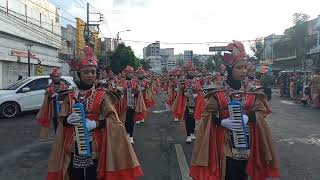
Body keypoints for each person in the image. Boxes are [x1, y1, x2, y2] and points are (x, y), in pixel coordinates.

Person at [45, 47, 143, 180]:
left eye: (92, 72)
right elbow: (61, 120)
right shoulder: (70, 95)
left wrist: (95, 124)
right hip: (73, 144)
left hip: (97, 145)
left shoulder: (103, 95)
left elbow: (113, 121)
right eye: (86, 72)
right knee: (75, 174)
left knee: (94, 175)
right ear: (79, 73)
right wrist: (68, 119)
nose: (90, 75)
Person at [190, 41, 280, 180]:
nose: (244, 71)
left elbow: (261, 112)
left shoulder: (252, 91)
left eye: (245, 67)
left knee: (243, 174)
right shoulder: (217, 92)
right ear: (229, 68)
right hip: (223, 141)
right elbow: (207, 115)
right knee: (228, 173)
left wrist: (248, 117)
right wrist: (221, 122)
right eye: (240, 67)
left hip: (248, 141)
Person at [37, 67, 69, 137]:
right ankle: (58, 139)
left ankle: (64, 139)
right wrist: (50, 96)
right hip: (53, 110)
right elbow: (46, 99)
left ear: (60, 76)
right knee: (56, 126)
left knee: (65, 125)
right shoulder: (49, 87)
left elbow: (68, 97)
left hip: (63, 110)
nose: (56, 78)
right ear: (51, 77)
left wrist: (62, 99)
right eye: (54, 76)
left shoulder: (64, 86)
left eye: (57, 76)